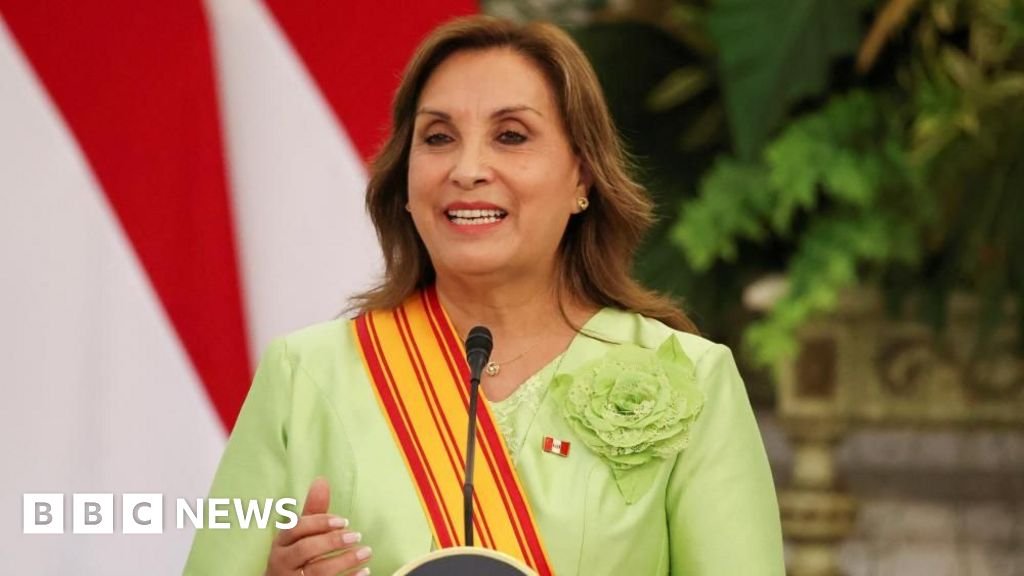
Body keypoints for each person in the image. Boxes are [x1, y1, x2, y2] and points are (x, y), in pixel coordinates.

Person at [185, 15, 784, 576]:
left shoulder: (690, 378)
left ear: (582, 176)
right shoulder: (304, 375)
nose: (467, 169)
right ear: (405, 182)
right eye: (438, 137)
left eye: (511, 135)